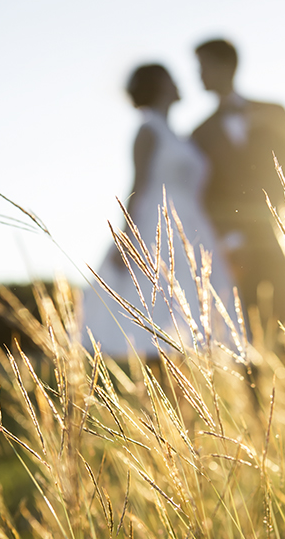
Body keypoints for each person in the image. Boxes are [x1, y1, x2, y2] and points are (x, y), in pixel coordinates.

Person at [83, 63, 238, 358]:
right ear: (159, 86)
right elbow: (137, 185)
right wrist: (126, 237)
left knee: (194, 305)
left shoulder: (180, 135)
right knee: (160, 308)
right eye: (171, 79)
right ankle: (162, 383)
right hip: (158, 223)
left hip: (195, 225)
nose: (178, 83)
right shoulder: (148, 130)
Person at [191, 39, 285, 339]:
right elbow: (205, 192)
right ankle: (256, 385)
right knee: (244, 322)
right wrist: (225, 234)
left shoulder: (274, 111)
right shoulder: (199, 133)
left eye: (203, 67)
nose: (199, 75)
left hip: (276, 231)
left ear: (227, 66)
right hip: (232, 243)